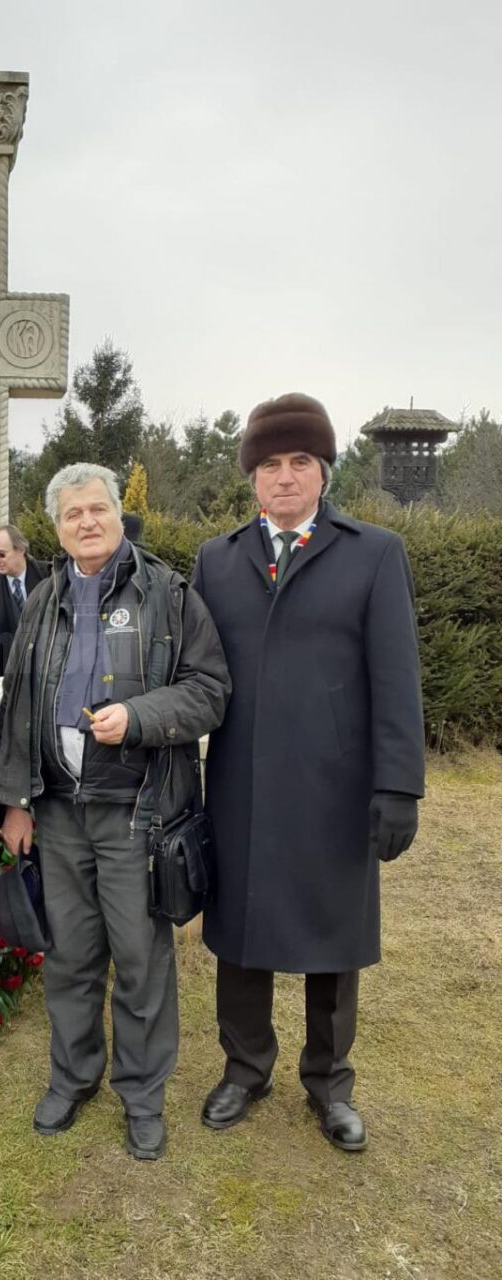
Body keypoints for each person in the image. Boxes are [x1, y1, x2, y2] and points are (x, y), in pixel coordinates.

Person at [191, 392, 425, 1152]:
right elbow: (195, 672)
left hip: (336, 787)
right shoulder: (216, 560)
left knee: (334, 937)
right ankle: (245, 1067)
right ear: (251, 477)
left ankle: (328, 1083)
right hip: (240, 786)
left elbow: (397, 680)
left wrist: (398, 785)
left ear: (324, 471)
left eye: (299, 462)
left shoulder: (373, 553)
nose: (284, 477)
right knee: (242, 931)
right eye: (269, 464)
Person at [0, 463, 230, 1160]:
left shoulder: (168, 593)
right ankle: (72, 1078)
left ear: (119, 514)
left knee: (139, 958)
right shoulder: (41, 599)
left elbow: (210, 690)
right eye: (73, 515)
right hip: (60, 811)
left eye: (98, 509)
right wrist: (15, 800)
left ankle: (142, 1094)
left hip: (140, 811)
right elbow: (19, 710)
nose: (87, 522)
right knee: (68, 957)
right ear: (57, 528)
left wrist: (139, 715)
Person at [0, 524, 48, 676]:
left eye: (1, 554)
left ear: (21, 550)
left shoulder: (48, 576)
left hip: (46, 669)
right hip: (8, 675)